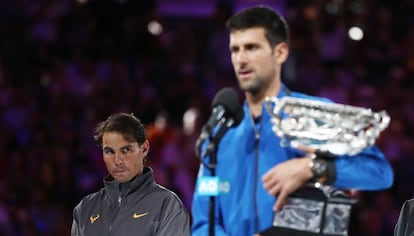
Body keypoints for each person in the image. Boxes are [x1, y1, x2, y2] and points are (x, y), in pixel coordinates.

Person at [191, 5, 394, 236]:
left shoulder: (317, 116)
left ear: (280, 52)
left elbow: (380, 173)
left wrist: (314, 168)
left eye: (251, 47)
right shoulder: (220, 134)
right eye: (235, 49)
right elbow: (203, 223)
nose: (241, 59)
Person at [71, 112, 190, 236]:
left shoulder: (168, 206)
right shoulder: (85, 208)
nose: (118, 160)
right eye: (109, 151)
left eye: (126, 150)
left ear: (144, 149)